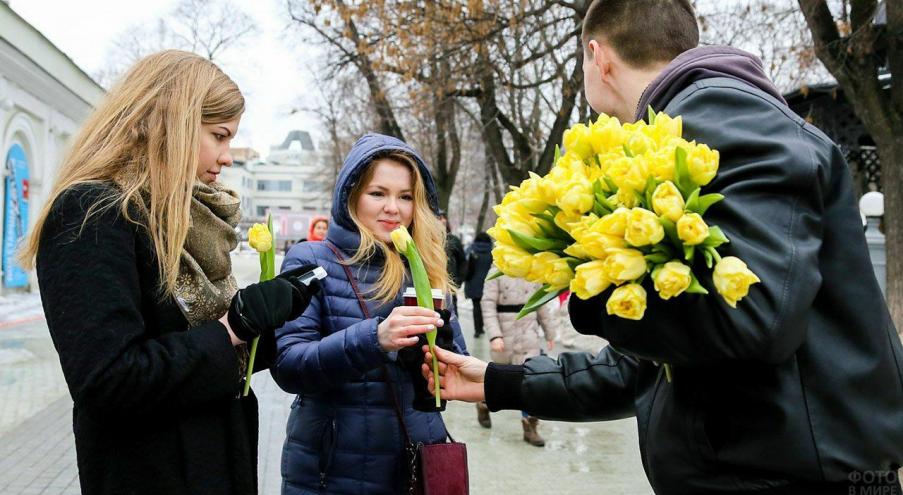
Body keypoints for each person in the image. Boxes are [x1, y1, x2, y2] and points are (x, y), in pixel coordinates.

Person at [423, 1, 903, 494]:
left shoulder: (723, 117)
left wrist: (591, 276)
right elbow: (661, 361)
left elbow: (754, 320)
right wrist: (497, 382)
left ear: (598, 56)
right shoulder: (683, 129)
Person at [19, 50, 319, 495]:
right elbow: (108, 381)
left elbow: (194, 351)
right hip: (148, 475)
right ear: (173, 122)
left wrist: (275, 321)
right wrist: (234, 326)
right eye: (219, 136)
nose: (228, 156)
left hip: (216, 465)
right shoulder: (91, 214)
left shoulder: (180, 218)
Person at [271, 133, 467, 494]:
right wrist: (374, 338)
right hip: (334, 469)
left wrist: (442, 355)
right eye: (378, 193)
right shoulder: (311, 261)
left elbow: (456, 367)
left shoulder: (425, 266)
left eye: (405, 197)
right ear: (351, 196)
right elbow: (288, 365)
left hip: (416, 462)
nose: (393, 208)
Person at [477, 272, 556, 446]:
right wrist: (494, 335)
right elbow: (488, 305)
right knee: (499, 381)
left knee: (530, 380)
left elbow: (541, 305)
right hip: (505, 336)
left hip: (529, 335)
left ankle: (530, 426)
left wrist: (550, 332)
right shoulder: (495, 273)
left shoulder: (533, 271)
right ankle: (483, 403)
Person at [463, 231, 493, 337]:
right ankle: (484, 327)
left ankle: (478, 329)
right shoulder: (492, 252)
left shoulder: (472, 251)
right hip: (489, 283)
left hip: (474, 284)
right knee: (487, 307)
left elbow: (467, 268)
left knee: (476, 307)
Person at [438, 209, 466, 311]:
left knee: (451, 314)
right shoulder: (428, 239)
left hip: (450, 286)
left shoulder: (454, 240)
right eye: (439, 218)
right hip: (433, 285)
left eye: (444, 217)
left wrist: (457, 282)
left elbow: (463, 262)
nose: (443, 220)